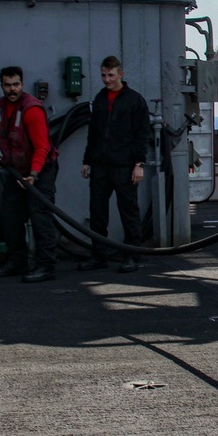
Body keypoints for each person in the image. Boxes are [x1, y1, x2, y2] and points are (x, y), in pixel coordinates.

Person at [0, 66, 60, 283]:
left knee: (40, 217)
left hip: (40, 170)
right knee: (11, 215)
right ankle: (17, 261)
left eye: (16, 84)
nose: (12, 90)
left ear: (22, 84)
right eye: (8, 85)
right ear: (1, 86)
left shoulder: (31, 110)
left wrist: (34, 175)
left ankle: (46, 266)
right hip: (16, 170)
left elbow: (42, 147)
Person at [80, 56, 150, 273]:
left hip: (124, 166)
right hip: (100, 165)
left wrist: (139, 164)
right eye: (103, 75)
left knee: (128, 211)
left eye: (110, 75)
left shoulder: (135, 101)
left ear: (121, 74)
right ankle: (99, 256)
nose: (106, 79)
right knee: (98, 212)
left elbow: (142, 134)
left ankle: (132, 256)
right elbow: (93, 133)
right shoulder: (100, 99)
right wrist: (87, 161)